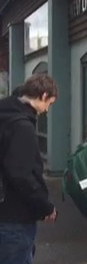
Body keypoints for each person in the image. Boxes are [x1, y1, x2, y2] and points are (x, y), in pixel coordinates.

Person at [0, 74, 58, 263]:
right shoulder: (22, 127)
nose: (47, 110)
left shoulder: (6, 115)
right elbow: (21, 174)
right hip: (15, 215)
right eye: (49, 103)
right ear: (43, 95)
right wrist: (45, 206)